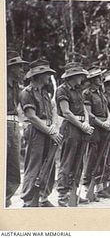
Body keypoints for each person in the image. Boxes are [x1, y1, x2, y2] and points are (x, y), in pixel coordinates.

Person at [20, 59, 63, 207]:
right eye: (45, 74)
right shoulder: (27, 93)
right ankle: (28, 200)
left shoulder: (45, 93)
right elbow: (31, 116)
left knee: (49, 165)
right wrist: (49, 130)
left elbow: (51, 114)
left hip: (48, 132)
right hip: (36, 132)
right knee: (34, 165)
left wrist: (53, 129)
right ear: (37, 76)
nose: (48, 77)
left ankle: (43, 198)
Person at [56, 62, 94, 207]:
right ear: (73, 76)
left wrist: (87, 123)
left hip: (81, 127)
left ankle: (73, 192)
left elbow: (84, 108)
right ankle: (62, 194)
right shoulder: (62, 90)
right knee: (68, 162)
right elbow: (66, 112)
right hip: (70, 127)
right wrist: (82, 125)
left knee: (78, 163)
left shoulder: (78, 90)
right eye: (80, 75)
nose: (82, 78)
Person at [82, 66, 110, 201]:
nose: (101, 79)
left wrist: (107, 120)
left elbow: (107, 110)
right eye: (98, 77)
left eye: (101, 77)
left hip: (104, 128)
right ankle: (86, 189)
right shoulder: (87, 93)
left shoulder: (101, 93)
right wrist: (102, 124)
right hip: (95, 128)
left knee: (102, 158)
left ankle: (99, 189)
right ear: (93, 79)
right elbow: (88, 113)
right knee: (91, 158)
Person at [6, 51, 28, 207]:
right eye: (19, 67)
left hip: (13, 127)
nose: (21, 70)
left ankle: (5, 198)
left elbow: (22, 110)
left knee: (14, 170)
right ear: (10, 67)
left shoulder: (16, 87)